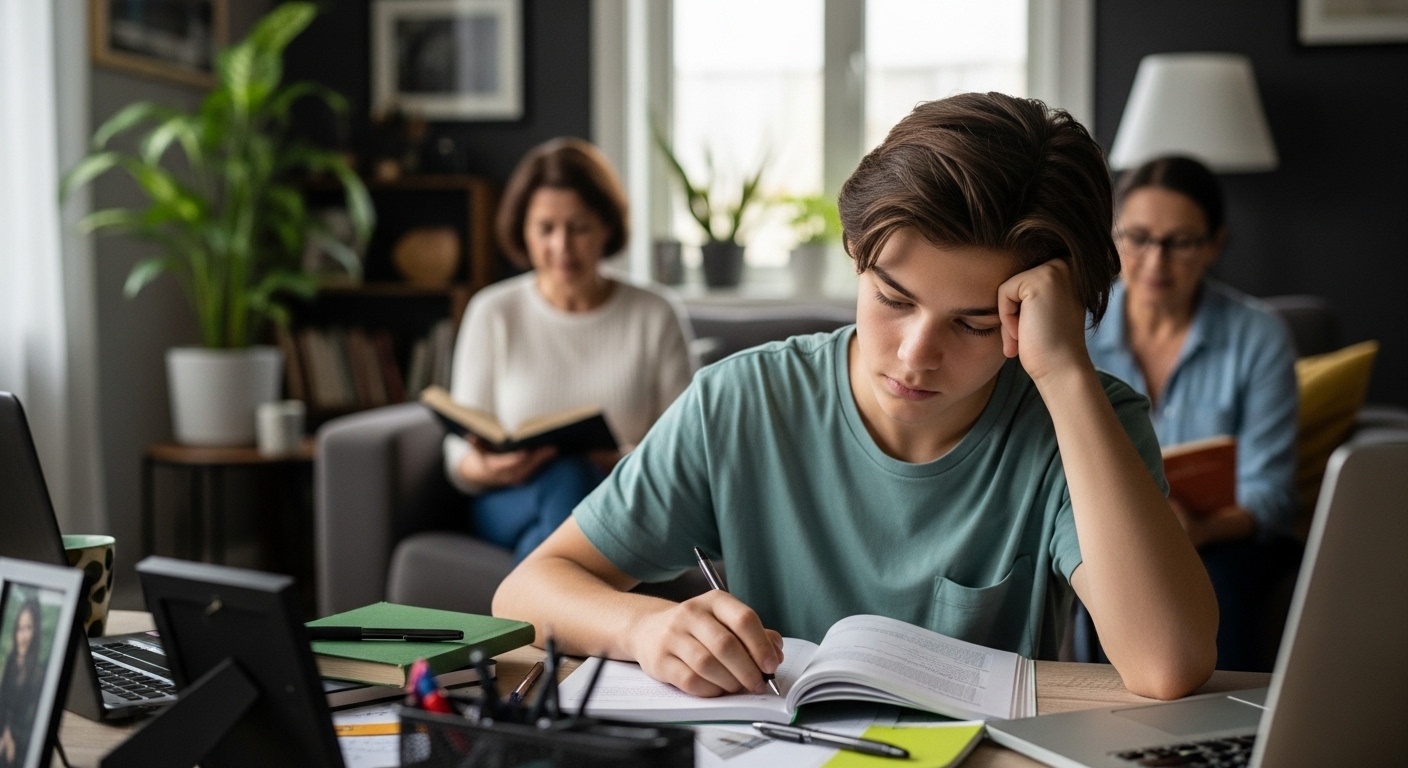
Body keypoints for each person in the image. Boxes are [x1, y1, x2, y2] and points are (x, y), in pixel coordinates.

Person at [493, 94, 1219, 701]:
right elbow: (526, 592)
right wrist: (643, 628)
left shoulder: (1082, 418)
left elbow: (1168, 663)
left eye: (972, 323)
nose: (914, 355)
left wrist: (1064, 375)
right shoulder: (742, 401)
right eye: (892, 298)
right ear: (855, 255)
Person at [1086, 155, 1298, 670]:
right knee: (1107, 579)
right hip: (1107, 531)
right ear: (1113, 237)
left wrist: (1198, 530)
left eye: (1179, 243)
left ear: (1213, 244)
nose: (1155, 263)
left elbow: (1268, 494)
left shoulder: (1259, 336)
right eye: (1137, 238)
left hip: (1221, 541)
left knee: (1215, 581)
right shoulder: (1081, 329)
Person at [444, 138, 694, 563]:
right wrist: (485, 468)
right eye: (546, 228)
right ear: (523, 230)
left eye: (579, 228)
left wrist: (620, 462)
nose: (561, 246)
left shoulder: (656, 313)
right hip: (511, 498)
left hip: (621, 498)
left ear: (607, 228)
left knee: (556, 519)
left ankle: (542, 614)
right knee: (566, 475)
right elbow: (459, 448)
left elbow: (686, 447)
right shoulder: (493, 312)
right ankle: (587, 607)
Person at [0, 594, 43, 768]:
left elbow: (27, 719)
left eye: (28, 628)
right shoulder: (10, 663)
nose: (22, 637)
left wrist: (10, 737)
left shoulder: (38, 674)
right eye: (19, 629)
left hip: (18, 738)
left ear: (36, 630)